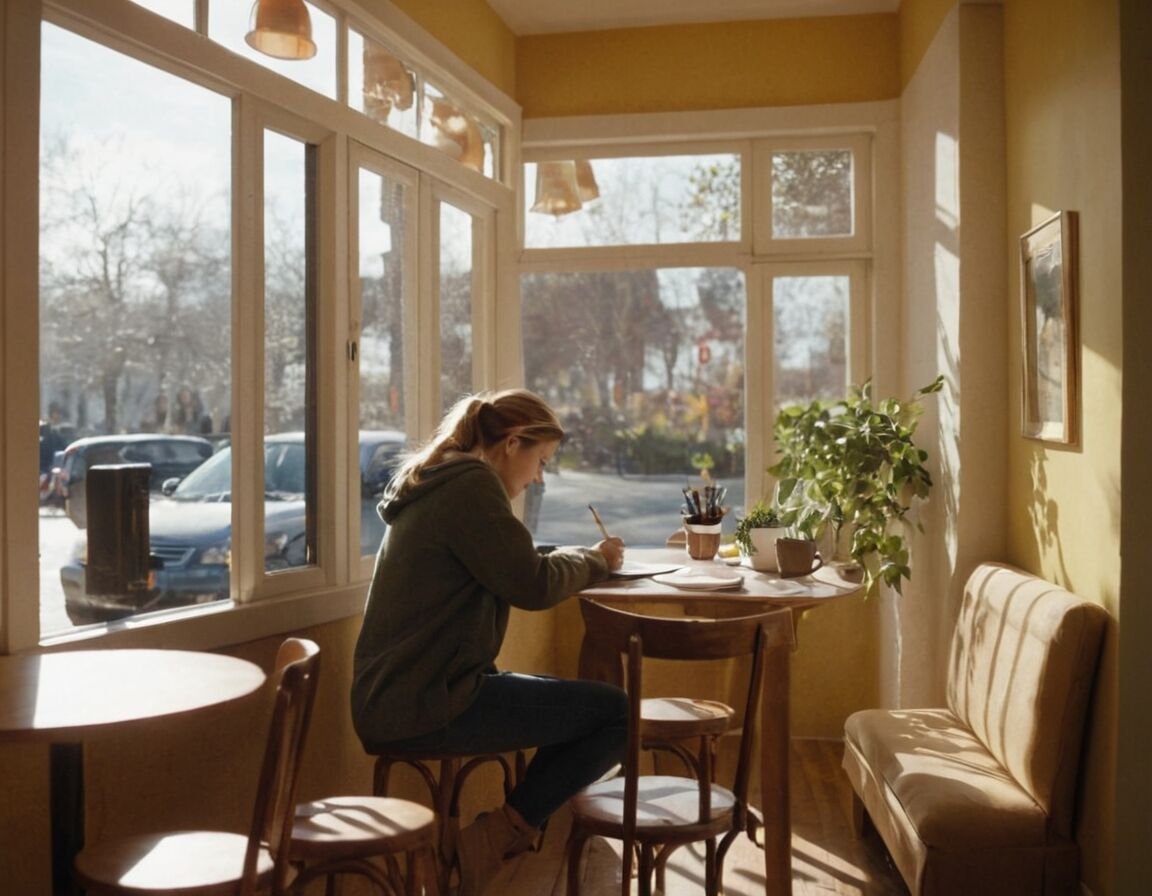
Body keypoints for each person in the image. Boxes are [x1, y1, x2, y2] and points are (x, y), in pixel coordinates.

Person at [351, 389, 629, 896]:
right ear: (512, 442)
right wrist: (595, 562)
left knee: (574, 704)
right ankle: (492, 842)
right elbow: (532, 584)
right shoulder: (472, 486)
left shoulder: (449, 481)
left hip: (407, 694)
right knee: (613, 714)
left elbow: (512, 559)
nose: (539, 476)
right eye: (540, 460)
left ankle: (493, 840)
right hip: (426, 702)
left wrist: (579, 557)